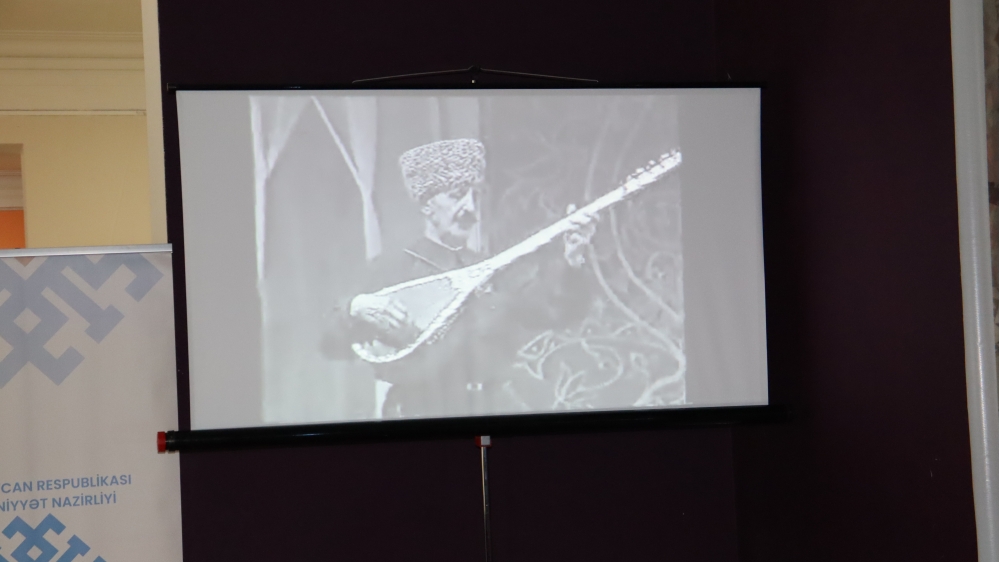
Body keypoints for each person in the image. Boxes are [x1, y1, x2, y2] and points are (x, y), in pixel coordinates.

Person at [326, 138, 596, 418]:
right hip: (420, 416)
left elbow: (551, 311)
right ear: (427, 206)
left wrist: (572, 258)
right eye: (457, 196)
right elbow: (332, 343)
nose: (470, 208)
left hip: (488, 411)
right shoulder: (391, 270)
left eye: (475, 197)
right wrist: (355, 307)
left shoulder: (491, 271)